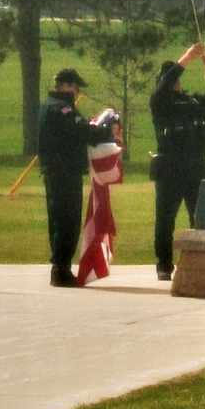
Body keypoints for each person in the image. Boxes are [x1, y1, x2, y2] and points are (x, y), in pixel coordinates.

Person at [150, 42, 205, 280]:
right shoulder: (160, 103)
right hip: (170, 167)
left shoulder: (192, 102)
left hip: (195, 167)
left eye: (176, 79)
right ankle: (164, 264)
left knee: (200, 216)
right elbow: (163, 87)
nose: (175, 83)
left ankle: (200, 261)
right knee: (165, 219)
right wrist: (186, 58)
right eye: (171, 79)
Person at [37, 68, 118, 287]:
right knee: (67, 221)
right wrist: (106, 129)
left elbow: (81, 129)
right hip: (64, 172)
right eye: (75, 87)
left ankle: (60, 267)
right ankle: (61, 270)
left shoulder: (49, 106)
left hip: (56, 172)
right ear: (65, 86)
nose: (76, 91)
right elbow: (84, 132)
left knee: (58, 220)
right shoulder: (61, 110)